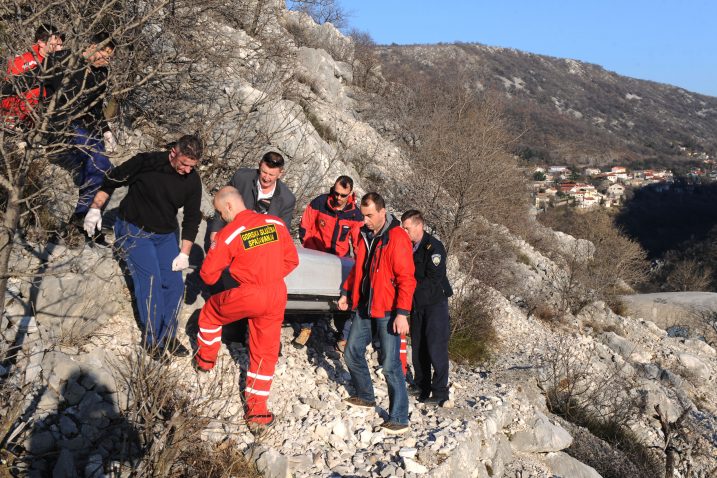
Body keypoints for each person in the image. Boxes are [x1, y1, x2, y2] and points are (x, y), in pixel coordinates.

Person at [83, 134, 203, 357]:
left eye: (192, 166)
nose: (187, 170)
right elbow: (111, 180)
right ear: (174, 153)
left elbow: (192, 218)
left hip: (165, 235)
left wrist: (184, 253)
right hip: (134, 229)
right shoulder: (146, 163)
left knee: (175, 284)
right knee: (150, 282)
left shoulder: (192, 180)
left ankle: (167, 335)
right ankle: (151, 339)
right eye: (185, 164)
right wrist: (95, 208)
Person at [194, 186, 299, 432]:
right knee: (265, 352)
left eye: (221, 212)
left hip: (250, 292)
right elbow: (292, 260)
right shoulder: (276, 224)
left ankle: (205, 361)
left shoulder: (229, 234)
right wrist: (270, 275)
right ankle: (257, 413)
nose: (221, 217)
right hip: (276, 293)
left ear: (229, 206)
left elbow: (208, 276)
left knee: (210, 312)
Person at [338, 192, 416, 435]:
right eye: (363, 216)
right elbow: (358, 269)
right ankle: (365, 395)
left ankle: (399, 418)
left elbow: (407, 279)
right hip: (365, 306)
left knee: (391, 365)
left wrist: (402, 313)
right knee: (351, 352)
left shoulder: (397, 238)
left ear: (383, 212)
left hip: (389, 310)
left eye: (370, 215)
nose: (366, 220)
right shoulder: (364, 235)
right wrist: (346, 292)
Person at [45, 32, 118, 240]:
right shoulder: (64, 60)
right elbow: (40, 86)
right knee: (98, 164)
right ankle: (79, 218)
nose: (106, 60)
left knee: (108, 172)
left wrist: (105, 130)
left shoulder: (101, 74)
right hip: (61, 124)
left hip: (85, 127)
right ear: (91, 46)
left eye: (110, 57)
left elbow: (95, 108)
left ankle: (90, 222)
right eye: (104, 54)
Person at [294, 175, 363, 350]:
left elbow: (358, 242)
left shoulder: (355, 214)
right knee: (311, 294)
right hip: (317, 256)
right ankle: (306, 329)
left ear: (350, 194)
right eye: (336, 193)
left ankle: (344, 335)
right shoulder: (320, 202)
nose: (338, 198)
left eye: (343, 195)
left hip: (339, 261)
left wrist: (358, 262)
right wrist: (311, 250)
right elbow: (305, 227)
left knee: (344, 297)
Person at [401, 210, 453, 406]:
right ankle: (421, 385)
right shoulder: (409, 247)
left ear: (419, 226)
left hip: (434, 303)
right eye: (403, 228)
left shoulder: (434, 248)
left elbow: (433, 279)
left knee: (435, 347)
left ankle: (440, 391)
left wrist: (408, 290)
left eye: (407, 228)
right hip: (416, 304)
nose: (404, 232)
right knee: (419, 346)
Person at [208, 151, 296, 240]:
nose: (266, 178)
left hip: (260, 245)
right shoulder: (241, 178)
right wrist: (215, 230)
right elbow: (223, 203)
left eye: (271, 175)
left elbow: (282, 232)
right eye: (264, 172)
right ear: (259, 165)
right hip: (231, 235)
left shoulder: (287, 199)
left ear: (280, 174)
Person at [1, 23, 64, 124]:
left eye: (61, 45)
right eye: (55, 45)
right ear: (41, 43)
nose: (59, 49)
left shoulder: (59, 61)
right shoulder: (24, 60)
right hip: (14, 114)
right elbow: (9, 91)